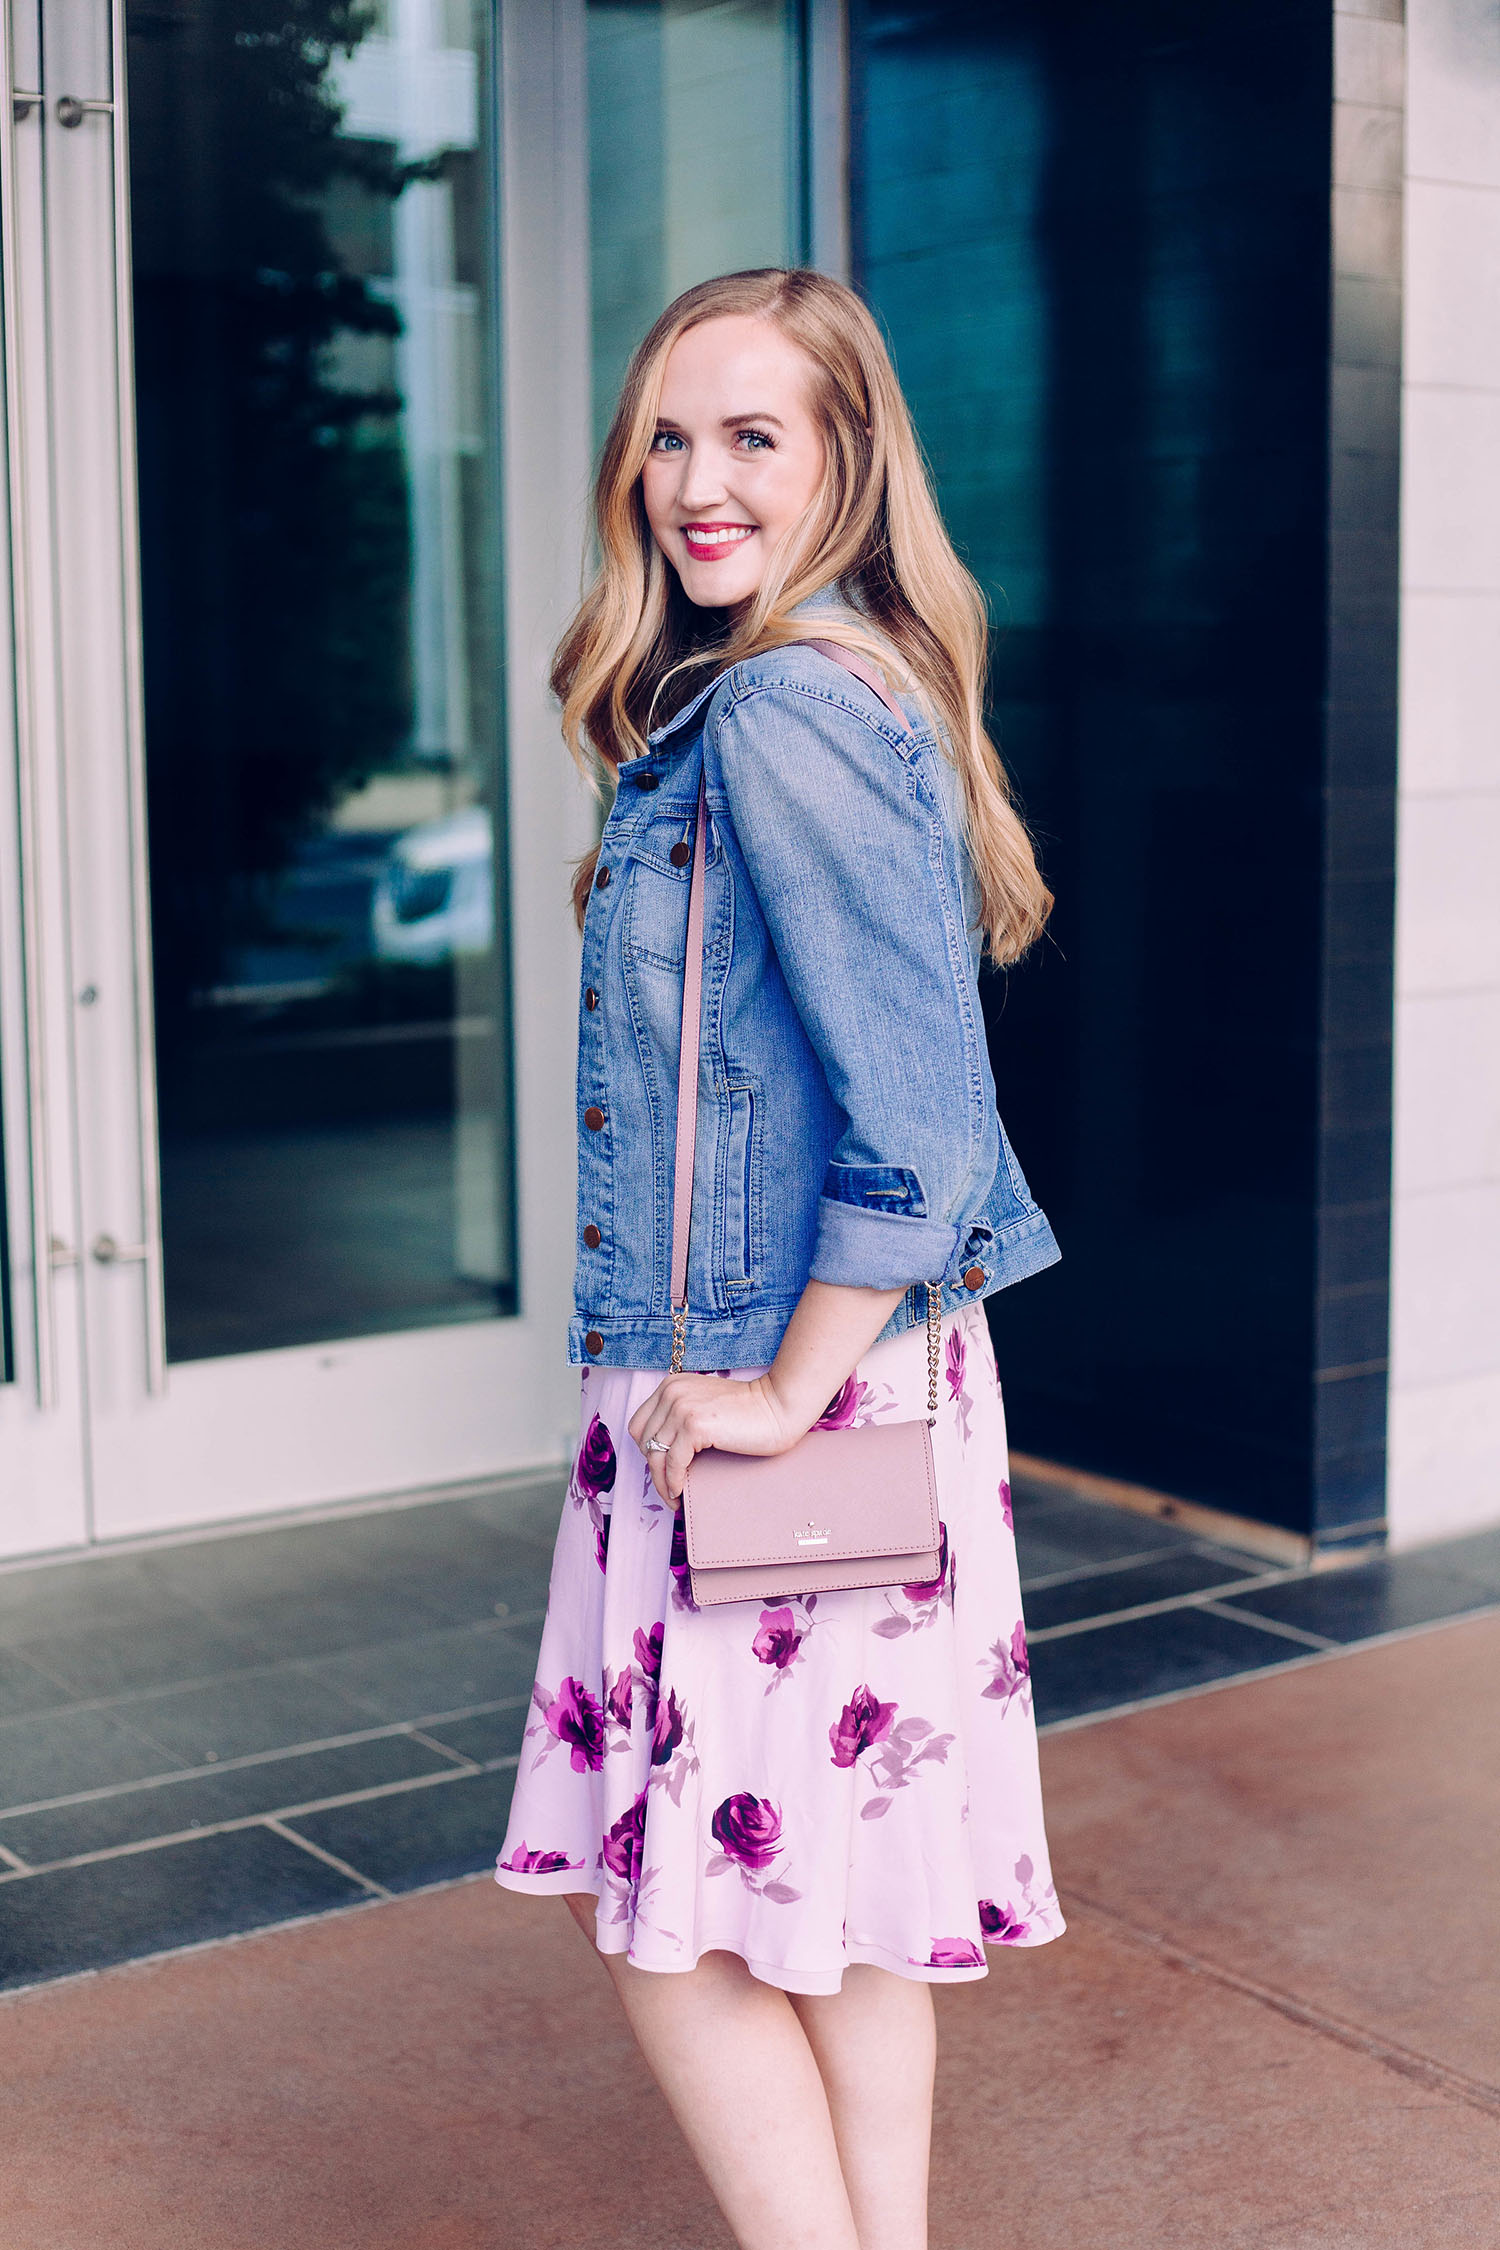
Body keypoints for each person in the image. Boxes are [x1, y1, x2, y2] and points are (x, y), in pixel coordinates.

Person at [495, 267, 1064, 2250]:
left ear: (845, 454)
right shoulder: (851, 681)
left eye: (755, 435)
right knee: (857, 1919)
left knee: (674, 1925)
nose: (695, 483)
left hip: (775, 1384)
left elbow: (921, 1134)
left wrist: (765, 1392)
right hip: (863, 1378)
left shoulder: (789, 708)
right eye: (669, 433)